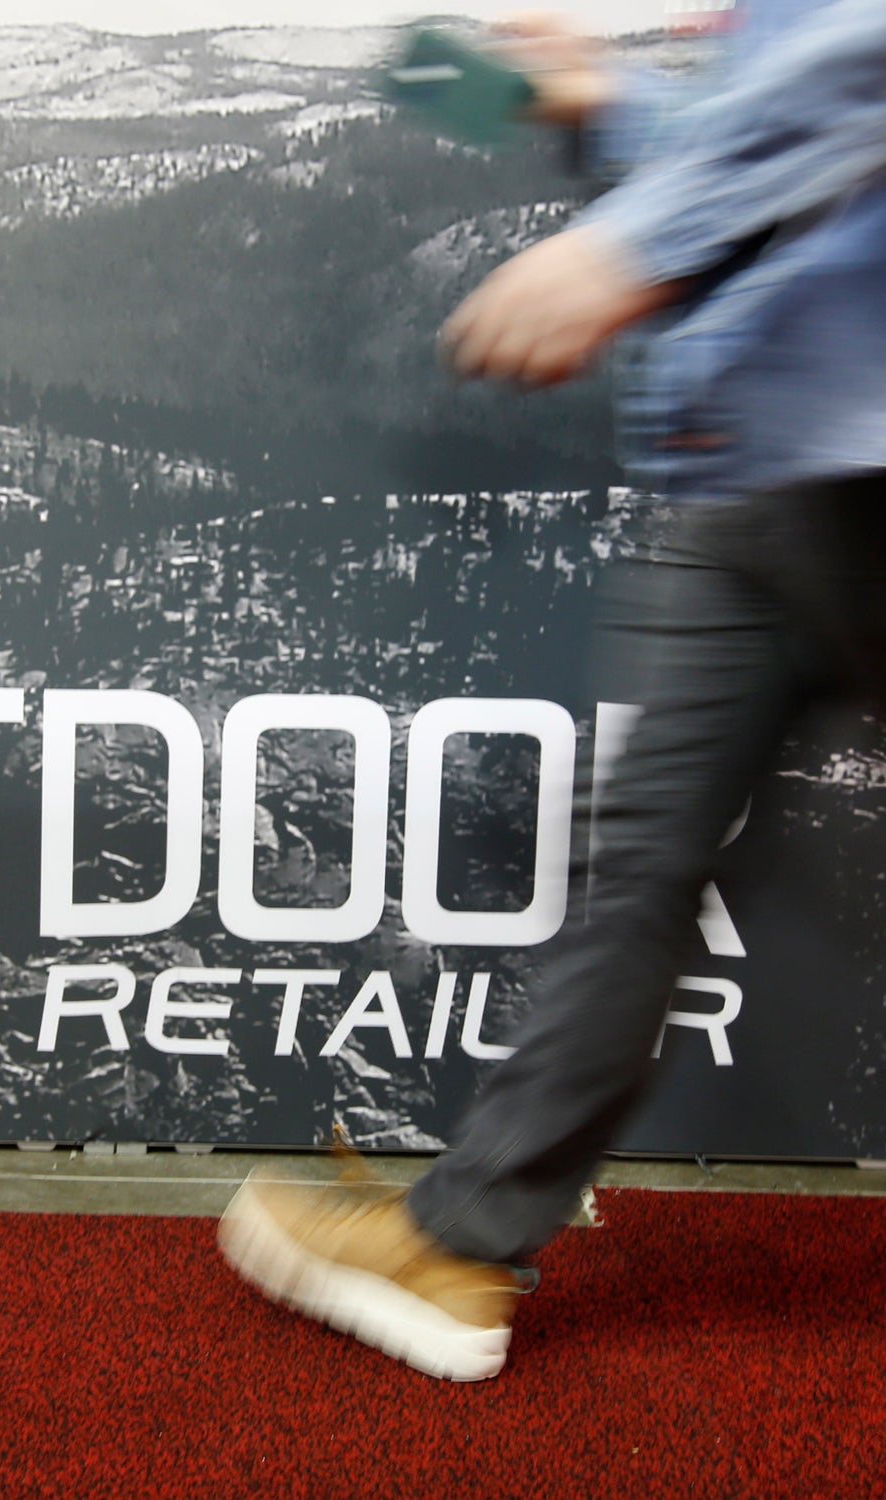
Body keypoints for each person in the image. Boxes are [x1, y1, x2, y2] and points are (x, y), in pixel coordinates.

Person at [218, 0, 886, 1382]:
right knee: (637, 870)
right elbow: (791, 151)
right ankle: (459, 1245)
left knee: (638, 872)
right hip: (744, 472)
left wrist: (632, 244)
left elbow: (858, 70)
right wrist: (596, 107)